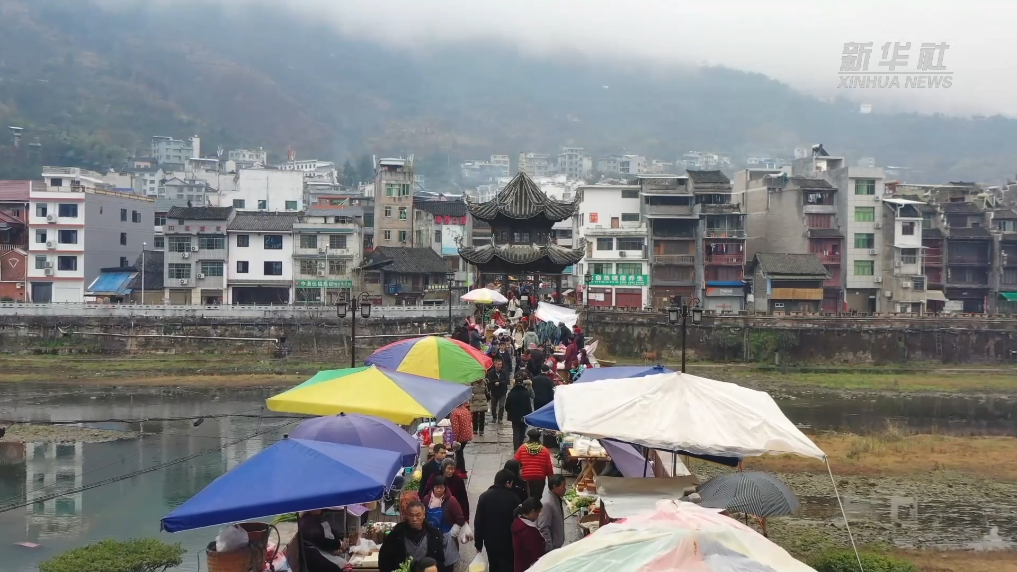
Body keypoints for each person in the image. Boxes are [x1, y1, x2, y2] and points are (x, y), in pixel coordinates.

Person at [474, 470, 522, 572]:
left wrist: (478, 544)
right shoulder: (514, 498)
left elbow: (478, 522)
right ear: (508, 482)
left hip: (490, 541)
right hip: (508, 541)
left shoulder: (484, 497)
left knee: (493, 565)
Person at [378, 501, 445, 572]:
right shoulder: (396, 534)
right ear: (407, 516)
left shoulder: (434, 535)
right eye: (411, 515)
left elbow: (440, 560)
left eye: (418, 515)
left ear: (424, 515)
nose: (414, 519)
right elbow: (384, 559)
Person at [421, 476, 470, 572]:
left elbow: (460, 519)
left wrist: (453, 533)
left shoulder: (451, 501)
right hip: (430, 538)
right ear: (433, 487)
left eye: (441, 487)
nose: (439, 490)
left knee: (446, 565)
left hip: (446, 538)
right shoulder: (426, 500)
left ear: (445, 488)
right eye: (436, 487)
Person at [514, 429, 554, 500]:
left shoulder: (522, 448)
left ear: (529, 437)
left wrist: (517, 477)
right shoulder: (544, 450)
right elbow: (549, 467)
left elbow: (515, 463)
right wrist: (551, 482)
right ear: (539, 437)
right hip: (539, 478)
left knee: (526, 498)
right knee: (537, 499)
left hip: (525, 478)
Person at [511, 497, 546, 572]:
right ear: (533, 511)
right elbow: (535, 554)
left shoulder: (518, 523)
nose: (538, 515)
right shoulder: (529, 531)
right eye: (538, 512)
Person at [536, 475, 567, 552]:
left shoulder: (556, 498)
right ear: (555, 487)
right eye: (563, 486)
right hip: (551, 549)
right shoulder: (547, 504)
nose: (565, 489)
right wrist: (549, 548)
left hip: (556, 545)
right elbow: (543, 528)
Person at [504, 376, 534, 450]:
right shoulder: (526, 393)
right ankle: (520, 446)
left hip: (514, 416)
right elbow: (528, 405)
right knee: (522, 432)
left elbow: (507, 405)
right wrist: (529, 414)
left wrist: (510, 412)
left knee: (515, 432)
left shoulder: (511, 393)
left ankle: (516, 448)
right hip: (524, 416)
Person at [449, 402, 473, 474]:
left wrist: (455, 439)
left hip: (461, 436)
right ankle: (460, 469)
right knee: (460, 451)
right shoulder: (465, 410)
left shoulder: (455, 413)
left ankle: (461, 470)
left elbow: (456, 428)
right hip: (467, 434)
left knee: (459, 452)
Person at [487, 356, 510, 424]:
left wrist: (499, 382)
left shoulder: (504, 372)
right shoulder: (491, 372)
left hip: (502, 392)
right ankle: (494, 417)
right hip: (494, 392)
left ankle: (500, 418)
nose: (500, 366)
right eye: (498, 364)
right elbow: (489, 381)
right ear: (495, 364)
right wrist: (495, 382)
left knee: (501, 406)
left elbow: (506, 380)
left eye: (501, 364)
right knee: (493, 406)